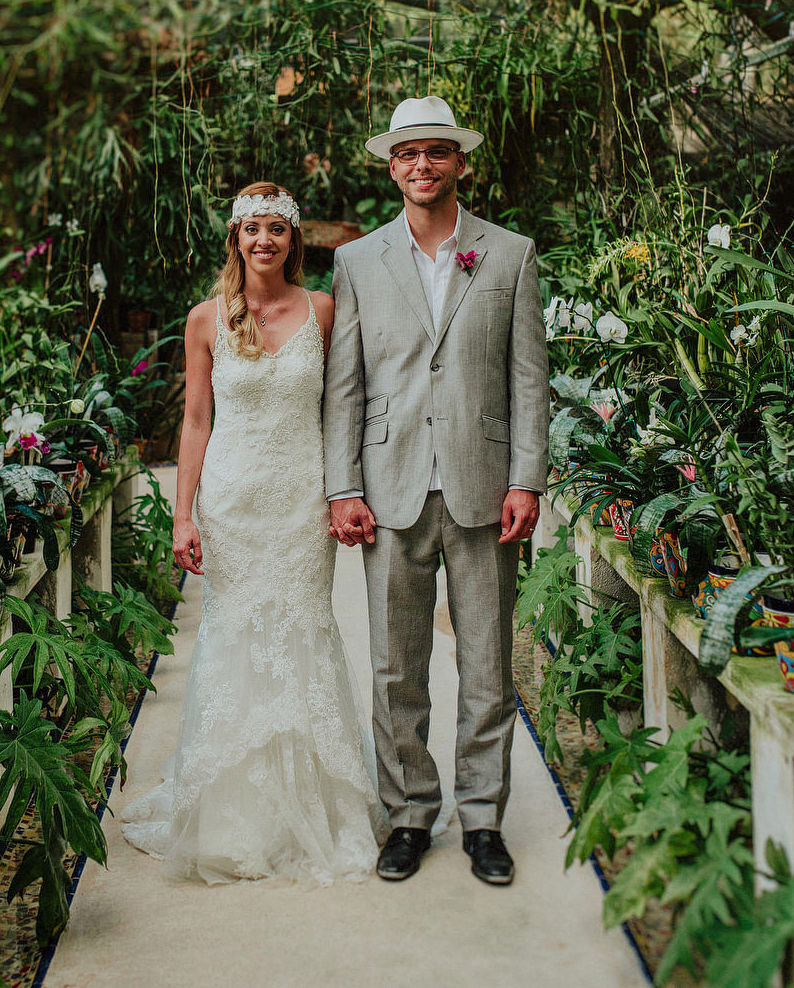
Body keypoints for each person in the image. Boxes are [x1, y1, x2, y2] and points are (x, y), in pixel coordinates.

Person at [121, 182, 383, 884]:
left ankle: (315, 801)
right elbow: (196, 420)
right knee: (234, 637)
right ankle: (232, 817)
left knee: (302, 628)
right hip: (233, 501)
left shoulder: (324, 310)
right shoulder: (206, 318)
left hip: (300, 502)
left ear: (294, 241)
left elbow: (342, 411)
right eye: (251, 229)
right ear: (234, 239)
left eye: (276, 228)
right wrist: (182, 513)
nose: (263, 240)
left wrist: (341, 493)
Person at [324, 96, 549, 886]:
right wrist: (342, 486)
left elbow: (530, 379)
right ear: (392, 168)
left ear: (460, 162)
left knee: (488, 662)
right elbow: (345, 388)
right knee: (396, 667)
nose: (423, 165)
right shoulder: (357, 262)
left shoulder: (510, 254)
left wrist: (527, 477)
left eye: (437, 152)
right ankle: (410, 814)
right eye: (408, 154)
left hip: (485, 488)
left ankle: (483, 817)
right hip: (389, 491)